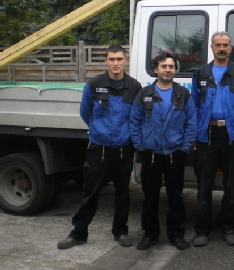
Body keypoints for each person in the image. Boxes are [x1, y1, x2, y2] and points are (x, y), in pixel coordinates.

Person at [57, 45, 141, 249]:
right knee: (91, 192)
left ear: (125, 60)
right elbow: (86, 113)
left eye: (119, 59)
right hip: (99, 148)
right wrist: (99, 132)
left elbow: (137, 117)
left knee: (122, 193)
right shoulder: (94, 85)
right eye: (111, 59)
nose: (115, 63)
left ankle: (120, 231)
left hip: (123, 148)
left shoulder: (134, 87)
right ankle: (78, 233)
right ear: (105, 61)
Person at [191, 31, 234, 247]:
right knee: (204, 186)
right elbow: (193, 107)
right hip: (206, 136)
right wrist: (193, 134)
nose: (221, 48)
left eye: (225, 45)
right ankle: (202, 230)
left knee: (231, 187)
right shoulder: (200, 73)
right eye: (217, 44)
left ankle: (228, 228)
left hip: (233, 135)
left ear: (231, 48)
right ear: (211, 47)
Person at [129, 52, 197, 251]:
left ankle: (176, 235)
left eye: (171, 66)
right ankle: (150, 235)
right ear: (155, 70)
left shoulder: (183, 94)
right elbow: (135, 122)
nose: (168, 70)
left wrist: (184, 148)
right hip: (150, 152)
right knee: (150, 197)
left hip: (175, 152)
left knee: (175, 196)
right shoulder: (144, 94)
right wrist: (140, 147)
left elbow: (191, 122)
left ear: (175, 70)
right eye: (164, 66)